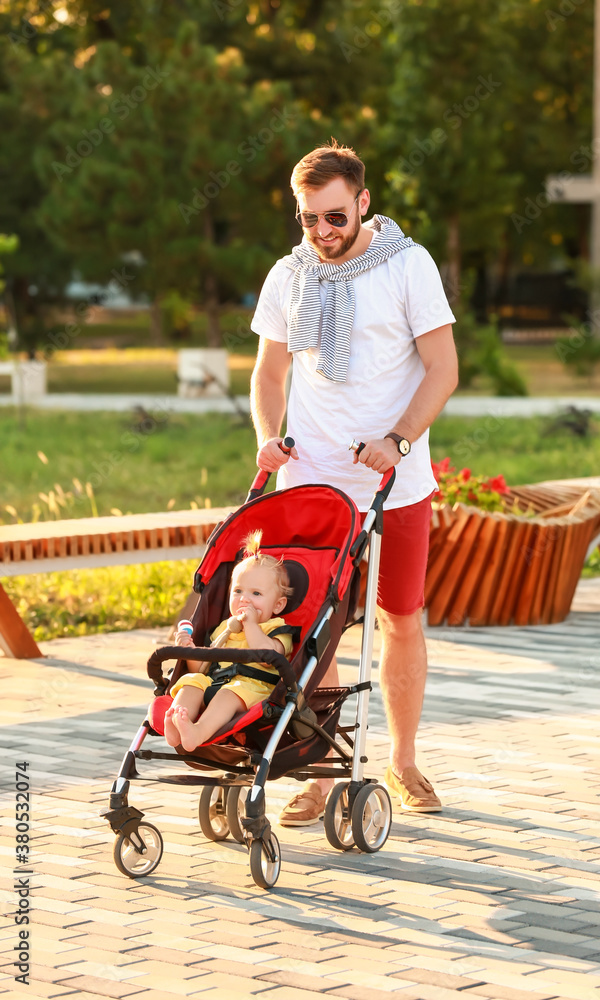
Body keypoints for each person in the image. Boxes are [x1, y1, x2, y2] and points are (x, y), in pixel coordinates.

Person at [250, 139, 458, 825]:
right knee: (313, 626)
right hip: (311, 481)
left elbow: (441, 369)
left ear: (363, 201)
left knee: (400, 616)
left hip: (392, 483)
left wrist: (396, 440)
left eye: (335, 216)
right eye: (309, 218)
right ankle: (317, 766)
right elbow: (270, 373)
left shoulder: (407, 266)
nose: (322, 232)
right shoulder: (290, 274)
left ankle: (399, 761)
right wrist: (265, 437)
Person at [164, 531, 293, 753]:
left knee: (229, 693)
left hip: (254, 689)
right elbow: (205, 667)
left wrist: (251, 625)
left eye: (256, 593)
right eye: (238, 591)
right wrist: (189, 651)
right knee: (190, 681)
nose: (244, 599)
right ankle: (177, 723)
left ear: (278, 605)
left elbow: (269, 658)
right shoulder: (224, 628)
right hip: (216, 682)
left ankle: (197, 731)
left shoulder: (276, 629)